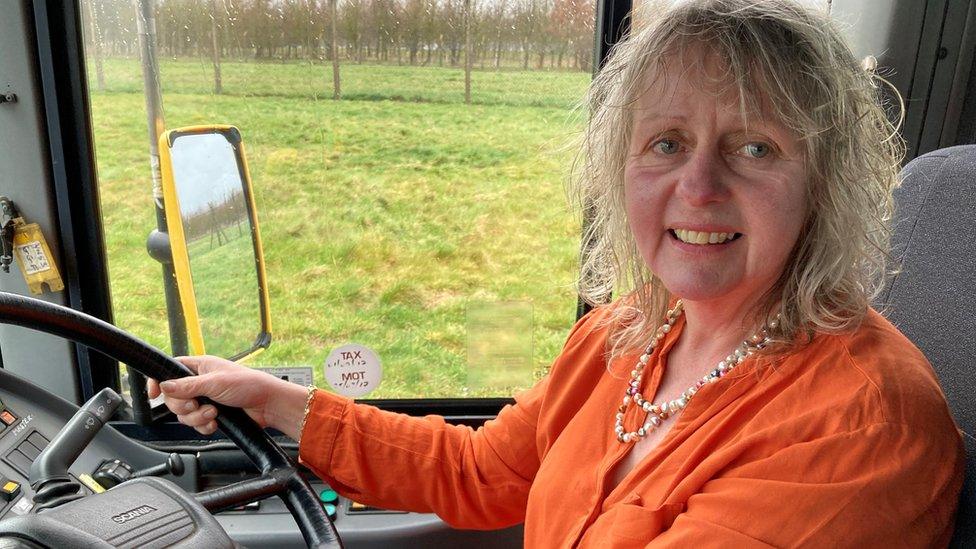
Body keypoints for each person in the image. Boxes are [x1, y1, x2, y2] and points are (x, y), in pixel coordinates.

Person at [149, 0, 965, 546]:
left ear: (822, 183)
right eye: (666, 143)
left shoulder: (862, 426)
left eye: (756, 147)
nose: (700, 186)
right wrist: (276, 401)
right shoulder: (625, 336)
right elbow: (481, 471)